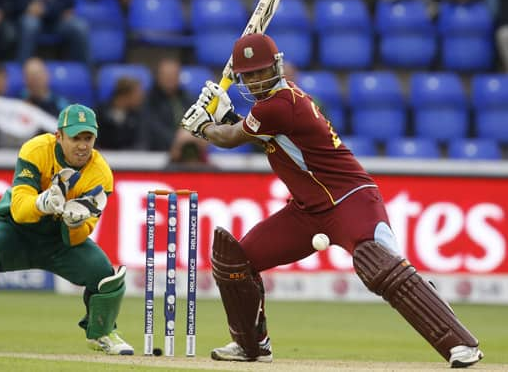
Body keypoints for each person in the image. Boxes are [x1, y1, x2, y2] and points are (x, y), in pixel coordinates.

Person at [181, 33, 484, 368]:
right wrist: (223, 121)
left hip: (350, 200)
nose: (255, 79)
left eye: (261, 71)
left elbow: (232, 138)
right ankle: (251, 346)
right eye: (248, 75)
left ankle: (461, 344)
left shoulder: (279, 105)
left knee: (380, 268)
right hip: (306, 211)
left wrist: (204, 127)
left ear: (277, 67)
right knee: (235, 260)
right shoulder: (271, 109)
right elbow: (259, 134)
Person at [0, 103, 134, 356]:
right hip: (18, 233)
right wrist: (42, 202)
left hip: (60, 241)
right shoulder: (36, 149)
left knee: (105, 273)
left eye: (88, 138)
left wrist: (75, 222)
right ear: (59, 136)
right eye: (76, 137)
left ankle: (102, 333)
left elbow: (83, 233)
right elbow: (20, 210)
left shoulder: (100, 173)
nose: (82, 145)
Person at [141, 57, 195, 151]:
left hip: (187, 151)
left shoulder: (188, 98)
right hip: (158, 152)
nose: (170, 79)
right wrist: (177, 141)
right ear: (158, 76)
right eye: (166, 75)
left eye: (174, 75)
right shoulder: (149, 101)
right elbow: (152, 128)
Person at [96, 76, 145, 150]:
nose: (141, 98)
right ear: (125, 95)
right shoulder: (99, 114)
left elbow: (140, 143)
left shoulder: (138, 117)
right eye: (137, 95)